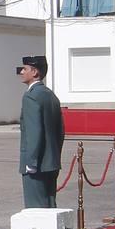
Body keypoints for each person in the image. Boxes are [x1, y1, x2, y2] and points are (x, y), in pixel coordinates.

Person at [17, 54, 65, 208]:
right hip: (50, 162)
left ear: (35, 72)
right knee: (50, 207)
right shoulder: (50, 95)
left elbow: (34, 132)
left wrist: (31, 162)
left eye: (25, 69)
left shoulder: (31, 96)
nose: (21, 72)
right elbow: (60, 131)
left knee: (36, 210)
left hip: (36, 164)